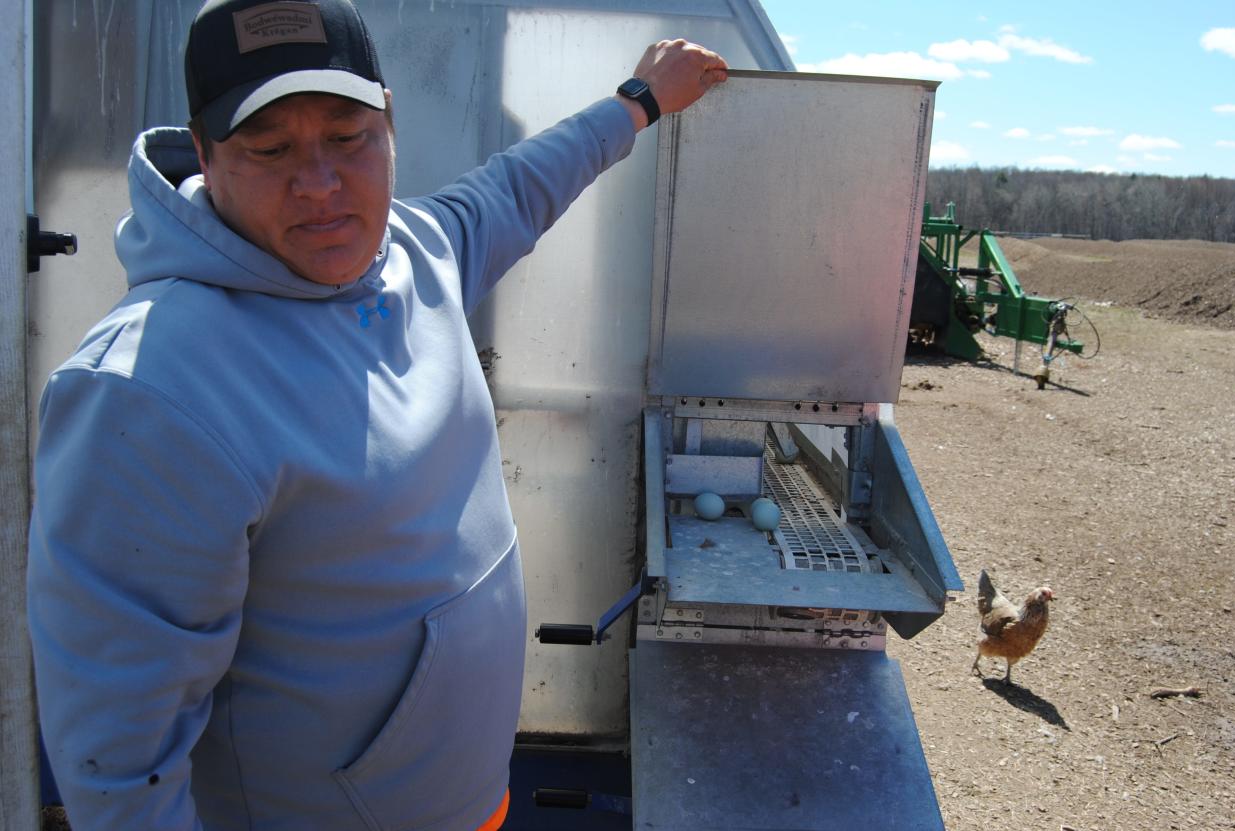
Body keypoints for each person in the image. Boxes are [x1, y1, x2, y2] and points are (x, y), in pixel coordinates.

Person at [25, 1, 727, 829]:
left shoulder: (413, 251)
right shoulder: (150, 388)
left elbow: (520, 186)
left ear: (390, 124)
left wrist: (637, 101)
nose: (318, 184)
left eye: (348, 136)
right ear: (208, 156)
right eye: (270, 147)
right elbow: (121, 758)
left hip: (466, 798)